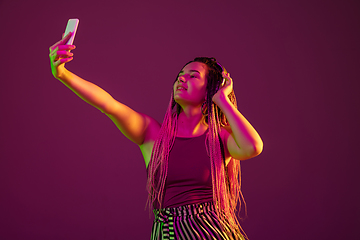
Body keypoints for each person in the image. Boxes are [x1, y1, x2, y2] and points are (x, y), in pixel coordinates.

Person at [49, 32, 263, 240]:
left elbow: (253, 147)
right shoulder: (151, 133)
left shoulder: (221, 138)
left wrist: (223, 102)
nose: (182, 79)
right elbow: (108, 104)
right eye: (180, 75)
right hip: (167, 231)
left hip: (211, 230)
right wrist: (62, 73)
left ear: (210, 89)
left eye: (193, 76)